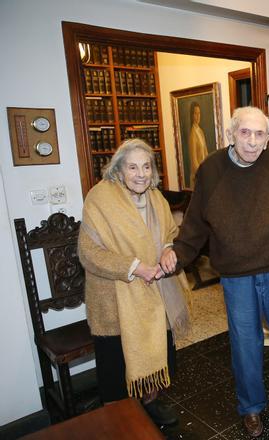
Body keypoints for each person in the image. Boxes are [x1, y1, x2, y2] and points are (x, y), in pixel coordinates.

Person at [160, 106, 269, 438]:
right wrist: (178, 254)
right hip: (236, 275)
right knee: (244, 344)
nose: (251, 141)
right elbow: (195, 225)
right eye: (244, 133)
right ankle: (251, 408)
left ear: (268, 138)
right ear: (231, 134)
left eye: (259, 134)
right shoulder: (211, 171)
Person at [78, 138, 191, 426]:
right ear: (118, 169)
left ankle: (151, 401)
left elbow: (170, 232)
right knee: (115, 363)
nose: (141, 174)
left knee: (157, 348)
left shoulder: (156, 197)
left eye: (146, 166)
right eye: (132, 167)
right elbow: (88, 253)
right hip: (116, 297)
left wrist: (168, 249)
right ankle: (118, 414)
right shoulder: (100, 198)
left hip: (156, 292)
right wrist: (134, 267)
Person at [188, 101, 208, 187]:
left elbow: (206, 153)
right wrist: (202, 176)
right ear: (192, 115)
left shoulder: (200, 131)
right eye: (195, 114)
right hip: (197, 177)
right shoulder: (192, 134)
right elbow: (194, 161)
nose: (197, 116)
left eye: (199, 113)